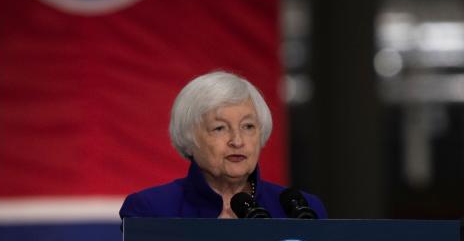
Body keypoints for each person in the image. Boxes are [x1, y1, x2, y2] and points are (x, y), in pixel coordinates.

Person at [120, 70, 326, 220]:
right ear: (189, 138)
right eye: (219, 128)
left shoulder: (300, 209)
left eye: (248, 126)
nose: (237, 141)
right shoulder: (152, 209)